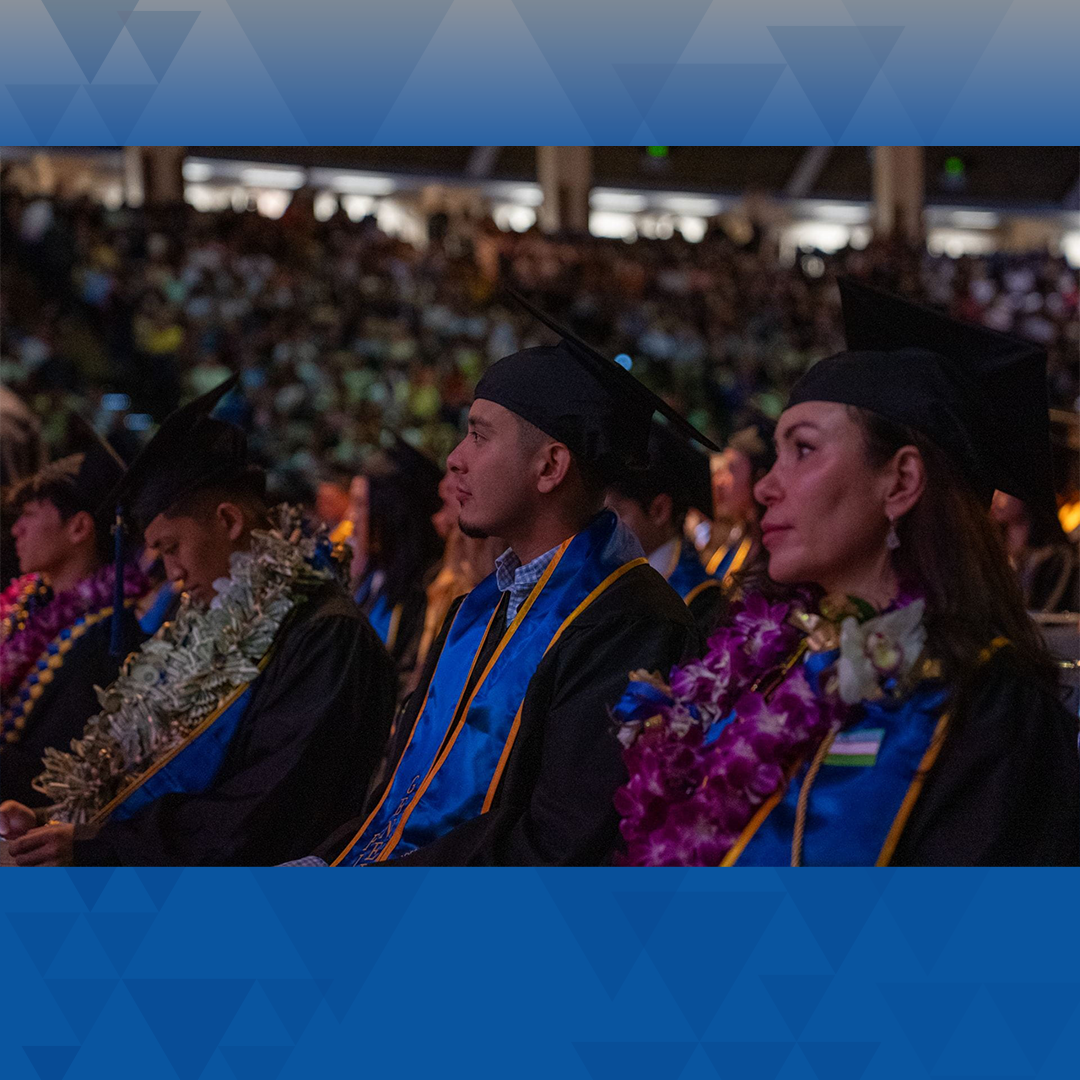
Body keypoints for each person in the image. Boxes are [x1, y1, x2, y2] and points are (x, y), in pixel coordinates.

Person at [614, 279, 1079, 867]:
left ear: (902, 482)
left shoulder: (992, 717)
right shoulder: (766, 667)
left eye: (803, 450)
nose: (764, 487)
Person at [311, 293, 708, 866]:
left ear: (550, 466)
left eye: (478, 435)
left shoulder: (632, 627)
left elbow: (559, 845)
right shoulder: (485, 604)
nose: (454, 460)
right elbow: (401, 797)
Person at [0, 377, 397, 866]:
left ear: (229, 521)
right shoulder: (200, 633)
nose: (172, 574)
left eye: (172, 548)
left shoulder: (326, 638)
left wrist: (93, 848)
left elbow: (265, 818)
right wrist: (51, 823)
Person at [0, 419, 150, 807]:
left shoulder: (113, 639)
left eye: (29, 515)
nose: (16, 530)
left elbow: (53, 768)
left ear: (79, 527)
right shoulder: (24, 608)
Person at [605, 420, 723, 634]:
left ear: (659, 510)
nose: (604, 527)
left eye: (615, 514)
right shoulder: (622, 581)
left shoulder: (700, 601)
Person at [347, 438, 445, 687]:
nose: (351, 518)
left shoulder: (425, 590)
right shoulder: (370, 579)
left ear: (390, 512)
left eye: (360, 505)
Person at [701, 420, 775, 587]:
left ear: (759, 479)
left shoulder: (772, 551)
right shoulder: (738, 537)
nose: (718, 481)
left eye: (731, 469)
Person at [990, 490, 1075, 613]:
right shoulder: (992, 549)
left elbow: (1048, 611)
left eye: (1004, 491)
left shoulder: (1056, 556)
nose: (996, 497)